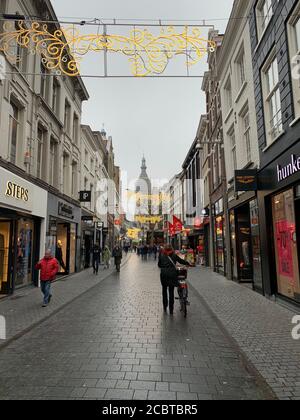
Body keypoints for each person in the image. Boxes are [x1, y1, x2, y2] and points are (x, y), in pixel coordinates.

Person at [158, 245, 191, 315]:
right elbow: (181, 261)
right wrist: (188, 263)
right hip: (172, 274)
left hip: (163, 274)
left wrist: (164, 266)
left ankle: (164, 306)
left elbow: (159, 265)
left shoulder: (161, 255)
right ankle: (171, 309)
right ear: (171, 249)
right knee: (171, 291)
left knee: (164, 290)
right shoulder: (174, 255)